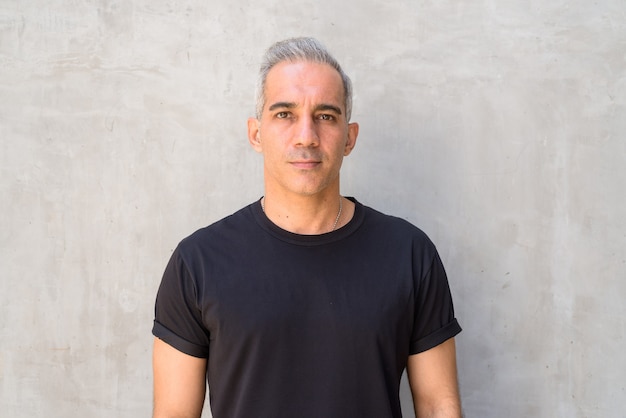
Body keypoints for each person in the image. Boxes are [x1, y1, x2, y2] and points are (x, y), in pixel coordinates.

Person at [152, 37, 462, 418]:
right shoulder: (197, 262)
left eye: (326, 116)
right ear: (255, 133)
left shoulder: (409, 254)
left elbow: (438, 405)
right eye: (284, 114)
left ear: (349, 137)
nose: (306, 136)